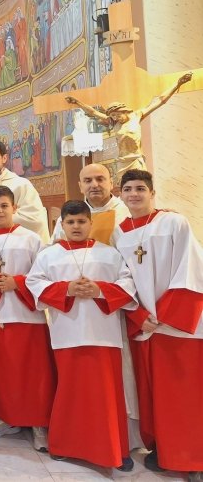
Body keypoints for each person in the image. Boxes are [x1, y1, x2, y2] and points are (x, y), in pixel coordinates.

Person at [26, 201, 136, 472]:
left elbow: (129, 284)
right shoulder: (48, 255)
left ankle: (115, 449)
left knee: (107, 396)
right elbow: (34, 283)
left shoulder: (109, 254)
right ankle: (65, 445)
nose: (76, 227)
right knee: (70, 392)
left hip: (104, 334)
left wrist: (98, 290)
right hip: (67, 334)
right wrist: (67, 289)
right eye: (70, 222)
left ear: (90, 223)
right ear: (61, 225)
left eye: (81, 222)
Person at [111, 170, 203, 478]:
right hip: (144, 326)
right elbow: (122, 280)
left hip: (176, 325)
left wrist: (163, 315)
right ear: (120, 195)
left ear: (152, 192)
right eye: (128, 189)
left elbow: (190, 269)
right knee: (152, 396)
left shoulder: (173, 222)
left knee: (184, 395)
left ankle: (192, 460)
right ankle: (163, 449)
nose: (134, 194)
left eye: (140, 188)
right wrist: (138, 317)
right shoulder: (119, 233)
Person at [0, 186, 54, 452]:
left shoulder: (31, 239)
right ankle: (6, 417)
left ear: (14, 208)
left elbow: (43, 275)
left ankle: (39, 423)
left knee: (32, 370)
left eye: (4, 206)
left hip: (26, 314)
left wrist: (17, 283)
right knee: (2, 370)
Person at [65, 72, 192, 179]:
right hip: (122, 161)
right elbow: (93, 112)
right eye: (113, 115)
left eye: (117, 114)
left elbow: (160, 100)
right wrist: (78, 103)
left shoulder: (137, 116)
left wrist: (178, 84)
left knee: (140, 185)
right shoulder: (113, 122)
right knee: (125, 190)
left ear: (124, 111)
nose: (115, 118)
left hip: (136, 159)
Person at [52, 163, 130, 244]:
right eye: (88, 181)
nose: (94, 185)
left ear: (111, 183)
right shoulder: (68, 216)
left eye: (100, 179)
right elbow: (56, 249)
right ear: (80, 186)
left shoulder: (127, 212)